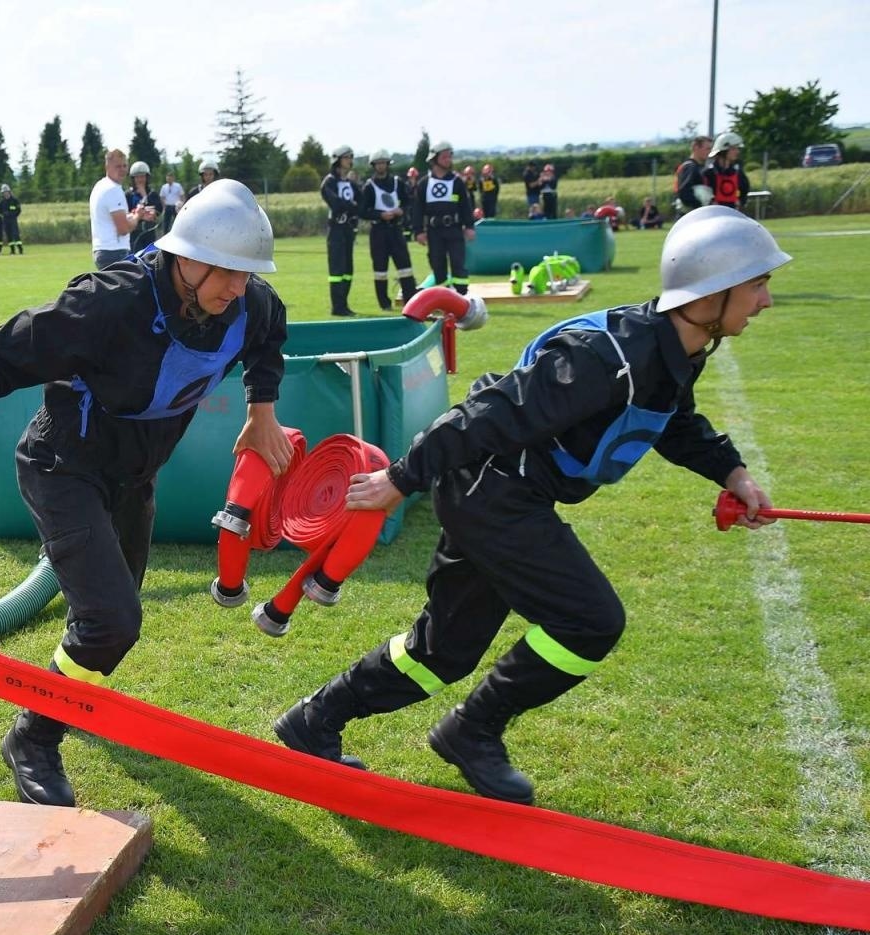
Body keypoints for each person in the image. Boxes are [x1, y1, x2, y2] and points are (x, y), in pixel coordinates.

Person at [273, 206, 789, 806]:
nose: (765, 301)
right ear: (713, 292)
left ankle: (314, 720)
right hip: (494, 492)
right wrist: (402, 477)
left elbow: (671, 420)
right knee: (590, 621)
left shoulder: (676, 349)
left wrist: (732, 472)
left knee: (443, 650)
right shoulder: (606, 356)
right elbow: (491, 411)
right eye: (757, 285)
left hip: (496, 492)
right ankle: (473, 730)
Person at [0, 179, 294, 808]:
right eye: (226, 271)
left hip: (133, 478)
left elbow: (270, 335)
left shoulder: (249, 303)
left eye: (246, 273)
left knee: (109, 619)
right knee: (113, 621)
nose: (237, 287)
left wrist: (262, 413)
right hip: (63, 466)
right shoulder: (108, 304)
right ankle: (32, 738)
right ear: (186, 257)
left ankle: (66, 695)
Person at [413, 141, 477, 296]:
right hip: (434, 231)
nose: (448, 160)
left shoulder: (457, 182)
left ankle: (462, 297)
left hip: (454, 229)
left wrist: (469, 226)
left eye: (450, 156)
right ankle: (443, 298)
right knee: (437, 265)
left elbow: (465, 206)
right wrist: (418, 231)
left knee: (458, 264)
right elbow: (417, 209)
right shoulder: (424, 184)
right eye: (444, 157)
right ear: (434, 159)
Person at [359, 149, 417, 311]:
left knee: (405, 267)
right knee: (380, 269)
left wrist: (402, 211)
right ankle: (384, 303)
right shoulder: (369, 187)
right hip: (378, 231)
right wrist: (380, 215)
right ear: (373, 166)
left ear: (388, 164)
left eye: (383, 163)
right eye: (378, 164)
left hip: (396, 230)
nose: (381, 166)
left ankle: (410, 300)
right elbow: (362, 211)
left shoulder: (398, 183)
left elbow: (409, 202)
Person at [89, 149, 151, 271]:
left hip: (103, 250)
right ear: (107, 167)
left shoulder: (101, 185)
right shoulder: (113, 190)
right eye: (118, 166)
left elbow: (112, 219)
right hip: (114, 252)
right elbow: (123, 229)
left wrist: (134, 215)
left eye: (124, 166)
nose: (122, 170)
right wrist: (137, 216)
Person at [318, 146, 362, 316]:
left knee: (348, 269)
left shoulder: (351, 184)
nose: (350, 160)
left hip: (349, 229)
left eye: (351, 157)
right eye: (346, 157)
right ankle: (338, 306)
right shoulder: (329, 182)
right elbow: (336, 204)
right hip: (336, 229)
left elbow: (362, 204)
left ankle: (344, 304)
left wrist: (352, 207)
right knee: (337, 270)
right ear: (337, 160)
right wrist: (351, 206)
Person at [705, 132, 750, 211]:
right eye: (733, 149)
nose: (737, 152)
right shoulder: (708, 173)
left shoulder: (738, 172)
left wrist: (740, 202)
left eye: (737, 148)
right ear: (723, 150)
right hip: (713, 214)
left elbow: (745, 191)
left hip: (732, 213)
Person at [674, 134, 714, 215]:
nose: (710, 152)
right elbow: (684, 192)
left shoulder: (698, 167)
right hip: (690, 216)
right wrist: (700, 207)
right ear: (696, 148)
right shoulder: (690, 167)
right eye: (707, 149)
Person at [126, 161, 162, 252]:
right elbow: (125, 213)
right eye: (137, 177)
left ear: (147, 177)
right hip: (134, 233)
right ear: (133, 178)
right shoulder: (129, 195)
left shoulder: (152, 194)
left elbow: (158, 210)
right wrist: (138, 214)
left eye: (142, 176)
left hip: (149, 233)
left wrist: (144, 195)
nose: (140, 180)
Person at [0, 183, 24, 255]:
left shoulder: (14, 200)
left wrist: (13, 215)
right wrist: (4, 214)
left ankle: (20, 249)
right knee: (9, 235)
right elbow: (0, 211)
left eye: (6, 192)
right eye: (4, 192)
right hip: (5, 221)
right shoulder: (2, 202)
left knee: (16, 235)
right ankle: (12, 250)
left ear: (9, 191)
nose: (5, 193)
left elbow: (18, 210)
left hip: (13, 220)